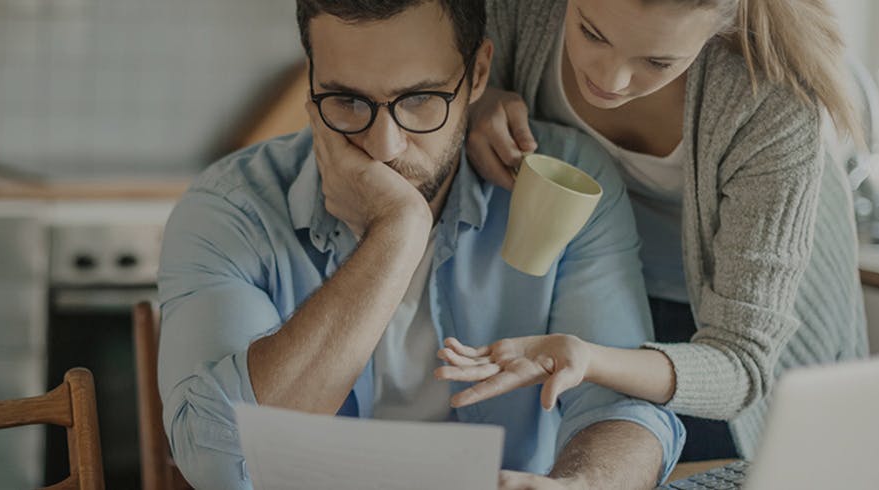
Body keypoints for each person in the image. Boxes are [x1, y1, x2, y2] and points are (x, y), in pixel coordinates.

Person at [156, 1, 685, 488]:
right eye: (345, 100)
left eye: (420, 100)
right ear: (311, 75)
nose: (384, 146)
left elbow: (621, 407)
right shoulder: (231, 208)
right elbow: (219, 461)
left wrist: (583, 486)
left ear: (479, 74)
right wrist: (398, 232)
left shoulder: (565, 187)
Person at [436, 0, 868, 462]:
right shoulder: (523, 9)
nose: (610, 79)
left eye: (658, 62)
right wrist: (476, 98)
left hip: (726, 318)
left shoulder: (771, 102)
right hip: (599, 271)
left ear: (721, 26)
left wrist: (591, 358)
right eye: (592, 33)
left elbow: (740, 363)